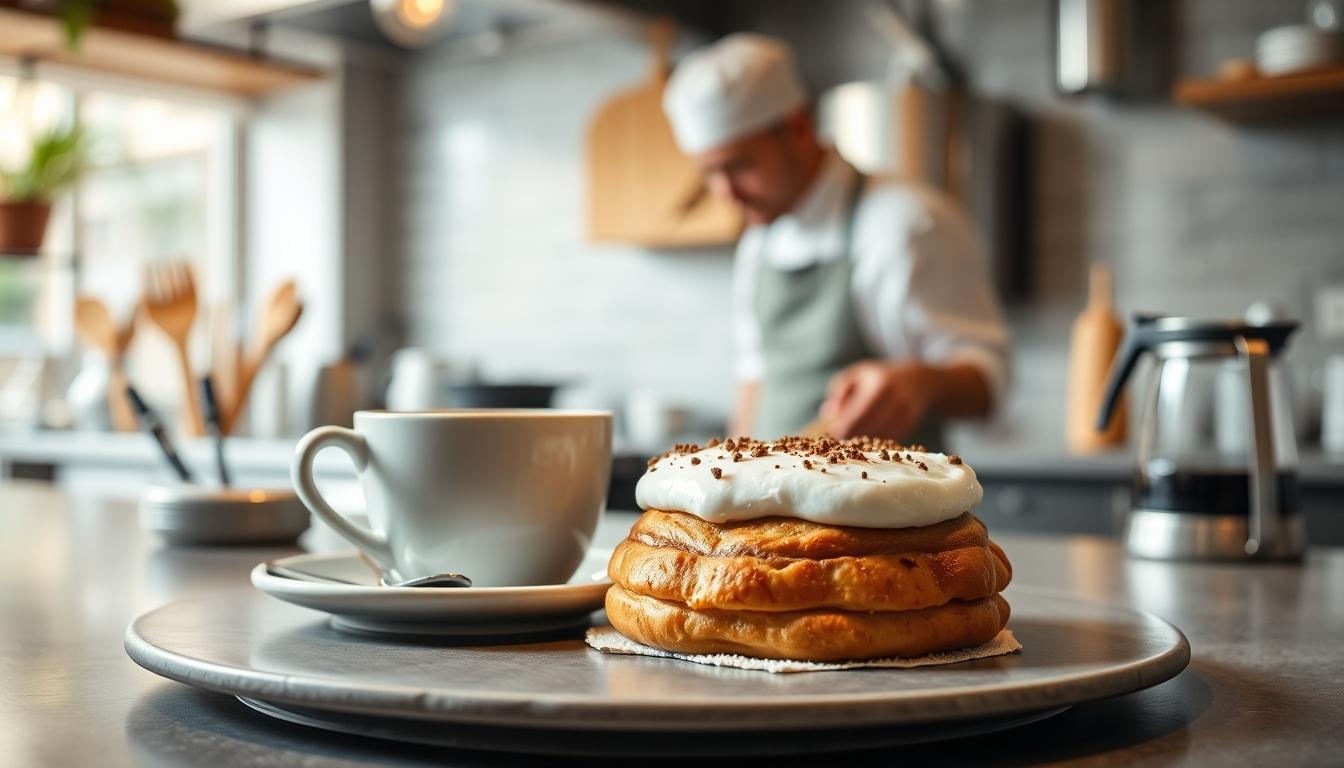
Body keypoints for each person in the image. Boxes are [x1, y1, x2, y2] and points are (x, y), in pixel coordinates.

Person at [662, 33, 1011, 447]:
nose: (725, 193)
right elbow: (754, 385)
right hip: (770, 508)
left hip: (886, 506)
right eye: (708, 174)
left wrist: (919, 382)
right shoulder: (759, 244)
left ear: (797, 128)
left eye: (738, 165)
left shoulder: (905, 224)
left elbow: (989, 383)